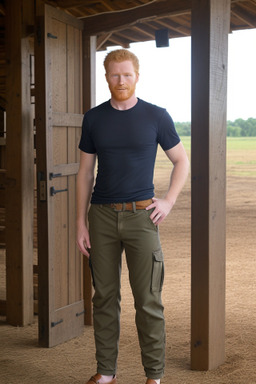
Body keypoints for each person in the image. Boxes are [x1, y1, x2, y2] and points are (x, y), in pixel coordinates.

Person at [76, 49, 189, 384]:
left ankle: (154, 376)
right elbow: (84, 173)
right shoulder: (94, 118)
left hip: (143, 218)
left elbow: (182, 161)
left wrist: (167, 201)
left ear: (137, 76)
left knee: (148, 300)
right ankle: (106, 371)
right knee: (104, 298)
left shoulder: (157, 116)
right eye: (114, 75)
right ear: (106, 77)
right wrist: (81, 222)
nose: (121, 80)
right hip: (101, 217)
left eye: (127, 74)